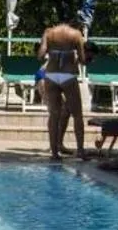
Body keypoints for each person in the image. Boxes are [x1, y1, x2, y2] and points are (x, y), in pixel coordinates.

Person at [37, 22, 89, 161]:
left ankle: (54, 153)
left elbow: (41, 55)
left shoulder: (48, 33)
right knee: (77, 115)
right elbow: (83, 60)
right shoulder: (76, 34)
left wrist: (51, 53)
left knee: (54, 115)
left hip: (51, 76)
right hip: (68, 75)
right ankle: (80, 151)